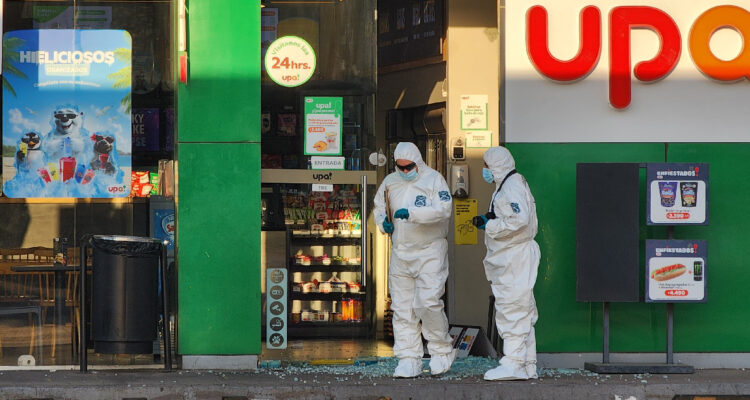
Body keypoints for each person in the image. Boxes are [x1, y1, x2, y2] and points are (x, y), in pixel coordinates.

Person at [374, 142, 456, 378]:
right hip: (401, 252)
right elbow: (380, 207)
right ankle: (409, 357)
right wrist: (383, 223)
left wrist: (412, 213)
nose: (405, 171)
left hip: (430, 251)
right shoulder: (390, 182)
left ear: (417, 163)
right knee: (402, 307)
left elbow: (444, 210)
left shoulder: (434, 180)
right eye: (400, 167)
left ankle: (441, 350)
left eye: (409, 167)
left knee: (428, 302)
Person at [472, 146, 540, 381]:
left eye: (486, 166)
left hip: (514, 257)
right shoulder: (509, 184)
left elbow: (519, 220)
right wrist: (491, 218)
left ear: (496, 166)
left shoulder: (510, 186)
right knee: (523, 309)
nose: (484, 170)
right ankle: (527, 364)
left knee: (512, 309)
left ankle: (512, 364)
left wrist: (489, 226)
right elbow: (511, 215)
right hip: (513, 256)